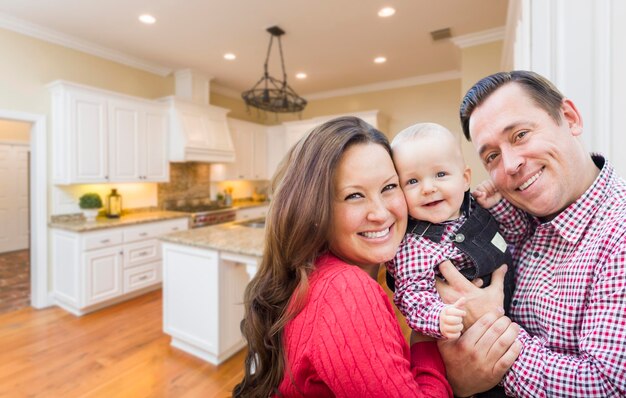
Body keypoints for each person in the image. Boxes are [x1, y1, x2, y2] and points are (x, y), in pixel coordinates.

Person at [232, 116, 520, 397]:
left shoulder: (318, 273)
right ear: (315, 209)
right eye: (354, 195)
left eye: (389, 187)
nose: (381, 213)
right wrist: (437, 356)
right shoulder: (346, 291)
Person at [436, 70, 626, 397]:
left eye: (521, 135)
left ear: (570, 118)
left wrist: (491, 333)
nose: (509, 164)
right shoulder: (513, 220)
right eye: (492, 156)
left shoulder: (618, 233)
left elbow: (607, 386)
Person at [386, 122, 514, 340]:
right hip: (469, 335)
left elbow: (514, 235)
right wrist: (438, 317)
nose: (428, 188)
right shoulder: (413, 245)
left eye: (440, 174)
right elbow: (412, 296)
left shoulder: (476, 207)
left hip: (515, 312)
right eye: (413, 181)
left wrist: (497, 205)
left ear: (465, 179)